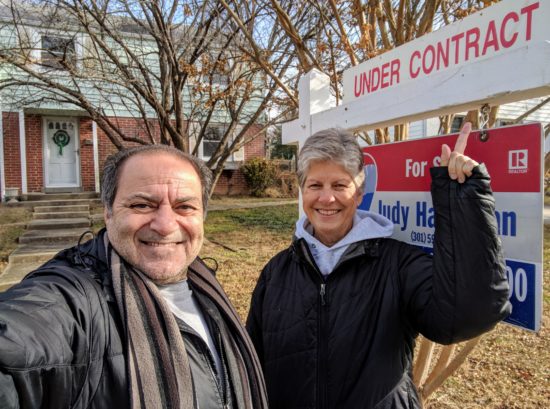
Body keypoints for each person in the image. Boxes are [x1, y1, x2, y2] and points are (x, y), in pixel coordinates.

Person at [246, 124, 512, 409]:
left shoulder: (398, 265)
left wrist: (463, 200)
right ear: (303, 191)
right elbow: (250, 365)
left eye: (340, 185)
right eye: (315, 186)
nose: (326, 198)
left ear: (359, 193)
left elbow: (466, 315)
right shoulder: (276, 272)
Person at [0, 145, 268, 409]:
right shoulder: (74, 297)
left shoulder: (204, 285)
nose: (165, 226)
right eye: (142, 205)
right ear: (108, 212)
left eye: (185, 207)